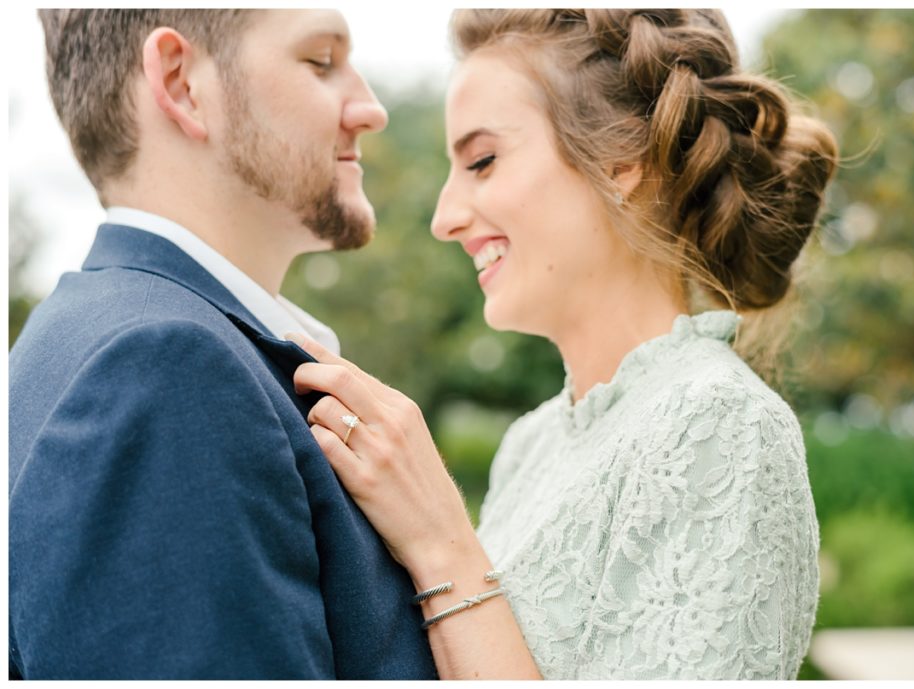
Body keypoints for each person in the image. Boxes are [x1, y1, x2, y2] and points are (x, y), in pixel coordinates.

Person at [290, 8, 838, 680]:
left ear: (621, 160)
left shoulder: (722, 423)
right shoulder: (531, 445)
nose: (444, 216)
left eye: (483, 161)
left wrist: (441, 540)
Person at [9, 9, 437, 679]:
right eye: (320, 61)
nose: (371, 109)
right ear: (182, 84)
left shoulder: (91, 336)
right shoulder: (162, 371)